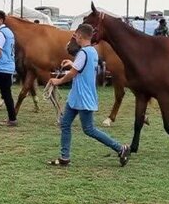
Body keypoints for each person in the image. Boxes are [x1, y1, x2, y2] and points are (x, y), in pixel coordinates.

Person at [47, 24, 130, 167]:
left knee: (89, 129)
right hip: (77, 97)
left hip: (82, 98)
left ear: (79, 36)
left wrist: (58, 81)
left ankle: (120, 148)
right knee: (65, 124)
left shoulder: (83, 53)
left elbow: (73, 74)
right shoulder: (92, 51)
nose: (75, 39)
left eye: (75, 36)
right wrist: (72, 63)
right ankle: (64, 157)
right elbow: (81, 68)